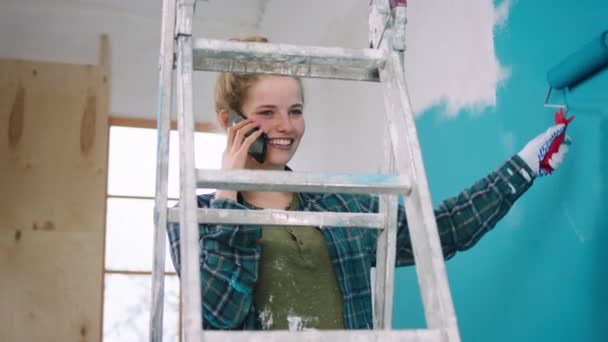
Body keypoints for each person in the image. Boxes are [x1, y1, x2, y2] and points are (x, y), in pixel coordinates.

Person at [167, 36, 571, 331]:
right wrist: (227, 196)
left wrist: (523, 166)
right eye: (267, 112)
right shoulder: (191, 219)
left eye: (295, 110)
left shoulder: (341, 207)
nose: (286, 127)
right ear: (230, 121)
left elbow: (441, 232)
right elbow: (218, 314)